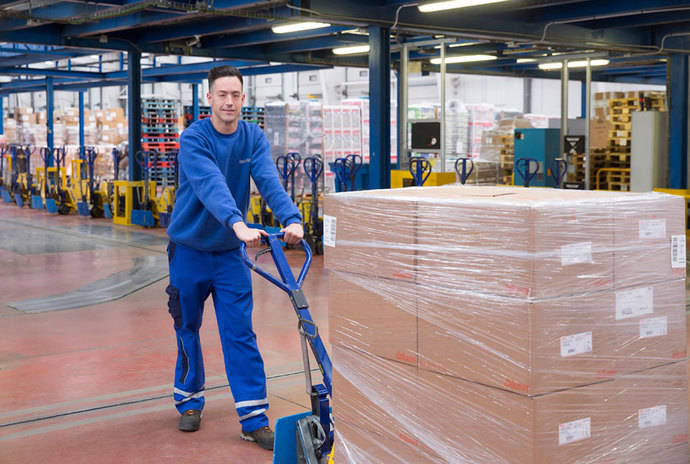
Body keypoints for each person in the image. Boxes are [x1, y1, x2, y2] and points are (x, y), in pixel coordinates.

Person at [165, 65, 303, 451]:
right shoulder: (194, 138)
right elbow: (210, 183)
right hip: (189, 251)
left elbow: (268, 179)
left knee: (240, 333)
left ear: (243, 99)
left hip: (229, 255)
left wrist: (291, 218)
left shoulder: (252, 137)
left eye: (236, 95)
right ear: (209, 98)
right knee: (187, 327)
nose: (229, 102)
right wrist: (236, 221)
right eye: (222, 94)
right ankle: (189, 402)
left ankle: (254, 418)